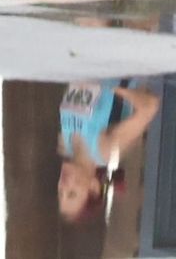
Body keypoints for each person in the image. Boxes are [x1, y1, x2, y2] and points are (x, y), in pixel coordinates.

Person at [57, 80, 160, 224]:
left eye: (61, 193)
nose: (64, 186)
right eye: (72, 193)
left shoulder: (65, 141)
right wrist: (113, 87)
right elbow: (149, 107)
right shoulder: (105, 149)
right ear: (93, 187)